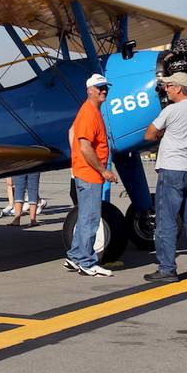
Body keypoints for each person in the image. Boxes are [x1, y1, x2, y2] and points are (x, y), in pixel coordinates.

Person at [143, 72, 187, 283]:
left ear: (179, 88)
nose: (166, 89)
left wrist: (163, 134)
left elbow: (149, 134)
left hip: (172, 169)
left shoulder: (172, 110)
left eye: (169, 85)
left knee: (166, 221)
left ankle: (167, 268)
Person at [63, 73, 118, 277]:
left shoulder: (90, 111)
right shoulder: (89, 112)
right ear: (90, 91)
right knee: (91, 219)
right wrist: (104, 170)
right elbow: (85, 147)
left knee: (86, 217)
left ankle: (75, 256)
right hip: (90, 175)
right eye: (100, 87)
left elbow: (72, 133)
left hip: (86, 173)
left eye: (106, 87)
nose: (104, 90)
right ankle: (87, 261)